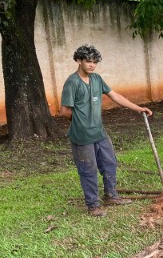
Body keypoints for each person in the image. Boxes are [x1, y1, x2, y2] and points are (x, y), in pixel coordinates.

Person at [60, 44, 153, 216]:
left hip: (99, 132)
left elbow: (114, 95)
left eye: (95, 62)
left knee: (109, 163)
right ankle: (93, 206)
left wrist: (137, 108)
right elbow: (64, 111)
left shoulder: (97, 79)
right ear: (79, 61)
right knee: (88, 170)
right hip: (81, 136)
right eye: (88, 61)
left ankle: (111, 195)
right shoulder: (72, 83)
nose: (92, 65)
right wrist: (81, 121)